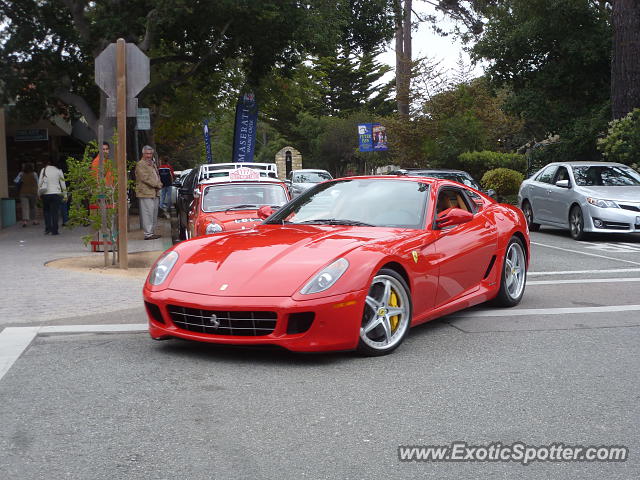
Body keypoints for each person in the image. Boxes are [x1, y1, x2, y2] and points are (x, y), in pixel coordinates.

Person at [135, 145, 163, 240]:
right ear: (143, 153)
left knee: (154, 213)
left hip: (154, 192)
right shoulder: (140, 164)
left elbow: (156, 175)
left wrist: (159, 183)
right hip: (145, 192)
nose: (149, 155)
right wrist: (157, 184)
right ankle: (148, 234)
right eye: (147, 153)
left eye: (150, 153)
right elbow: (144, 178)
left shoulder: (152, 163)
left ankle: (152, 232)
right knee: (147, 213)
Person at [38, 158, 67, 235]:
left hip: (45, 193)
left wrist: (39, 194)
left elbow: (40, 182)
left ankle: (48, 229)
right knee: (55, 212)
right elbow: (63, 184)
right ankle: (55, 230)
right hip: (56, 193)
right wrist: (65, 195)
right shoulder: (59, 171)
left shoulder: (43, 170)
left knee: (46, 211)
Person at [14, 163, 39, 227]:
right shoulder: (34, 174)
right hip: (33, 192)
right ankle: (35, 221)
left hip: (23, 192)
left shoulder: (21, 174)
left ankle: (25, 222)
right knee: (33, 206)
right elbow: (38, 182)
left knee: (25, 207)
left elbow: (16, 181)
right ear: (32, 168)